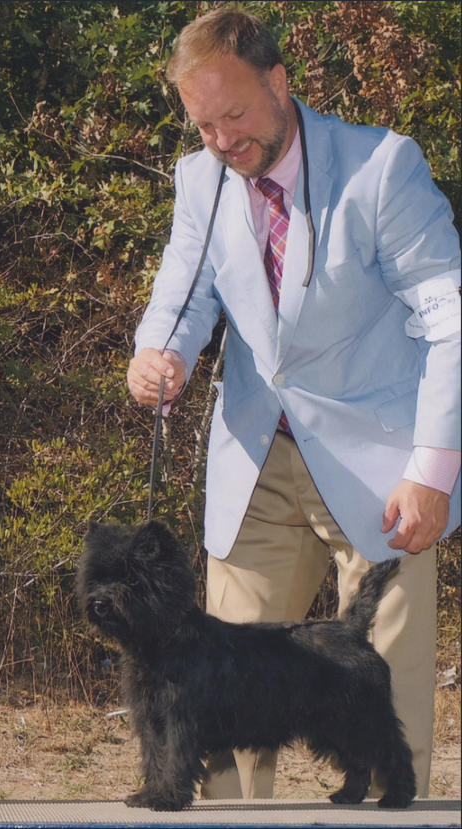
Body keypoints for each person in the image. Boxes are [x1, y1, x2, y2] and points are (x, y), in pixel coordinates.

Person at [127, 8, 460, 801]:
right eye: (203, 125)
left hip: (384, 469)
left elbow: (449, 314)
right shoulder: (198, 177)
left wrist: (434, 469)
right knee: (216, 692)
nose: (221, 140)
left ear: (279, 83)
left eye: (235, 115)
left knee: (379, 704)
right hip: (255, 455)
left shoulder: (381, 167)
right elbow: (187, 289)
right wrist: (159, 351)